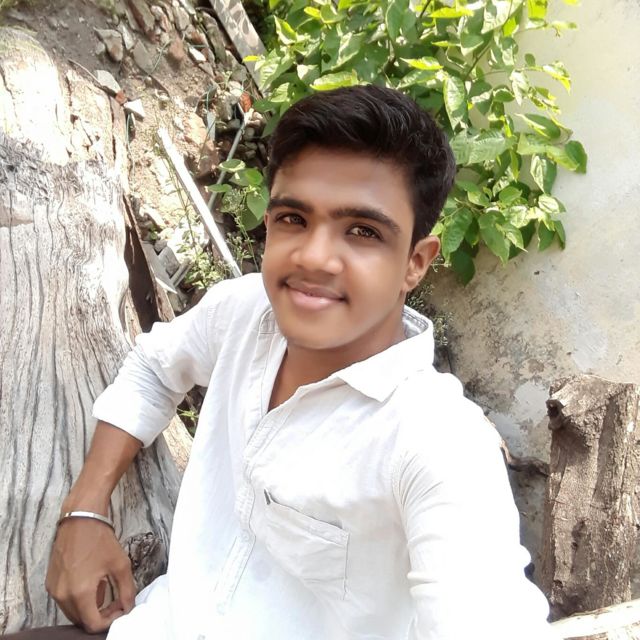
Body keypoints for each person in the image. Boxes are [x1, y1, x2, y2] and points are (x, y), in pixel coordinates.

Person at [12, 85, 556, 639]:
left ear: (415, 262)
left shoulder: (436, 441)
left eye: (363, 231)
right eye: (294, 218)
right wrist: (85, 510)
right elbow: (154, 366)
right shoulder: (244, 312)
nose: (314, 257)